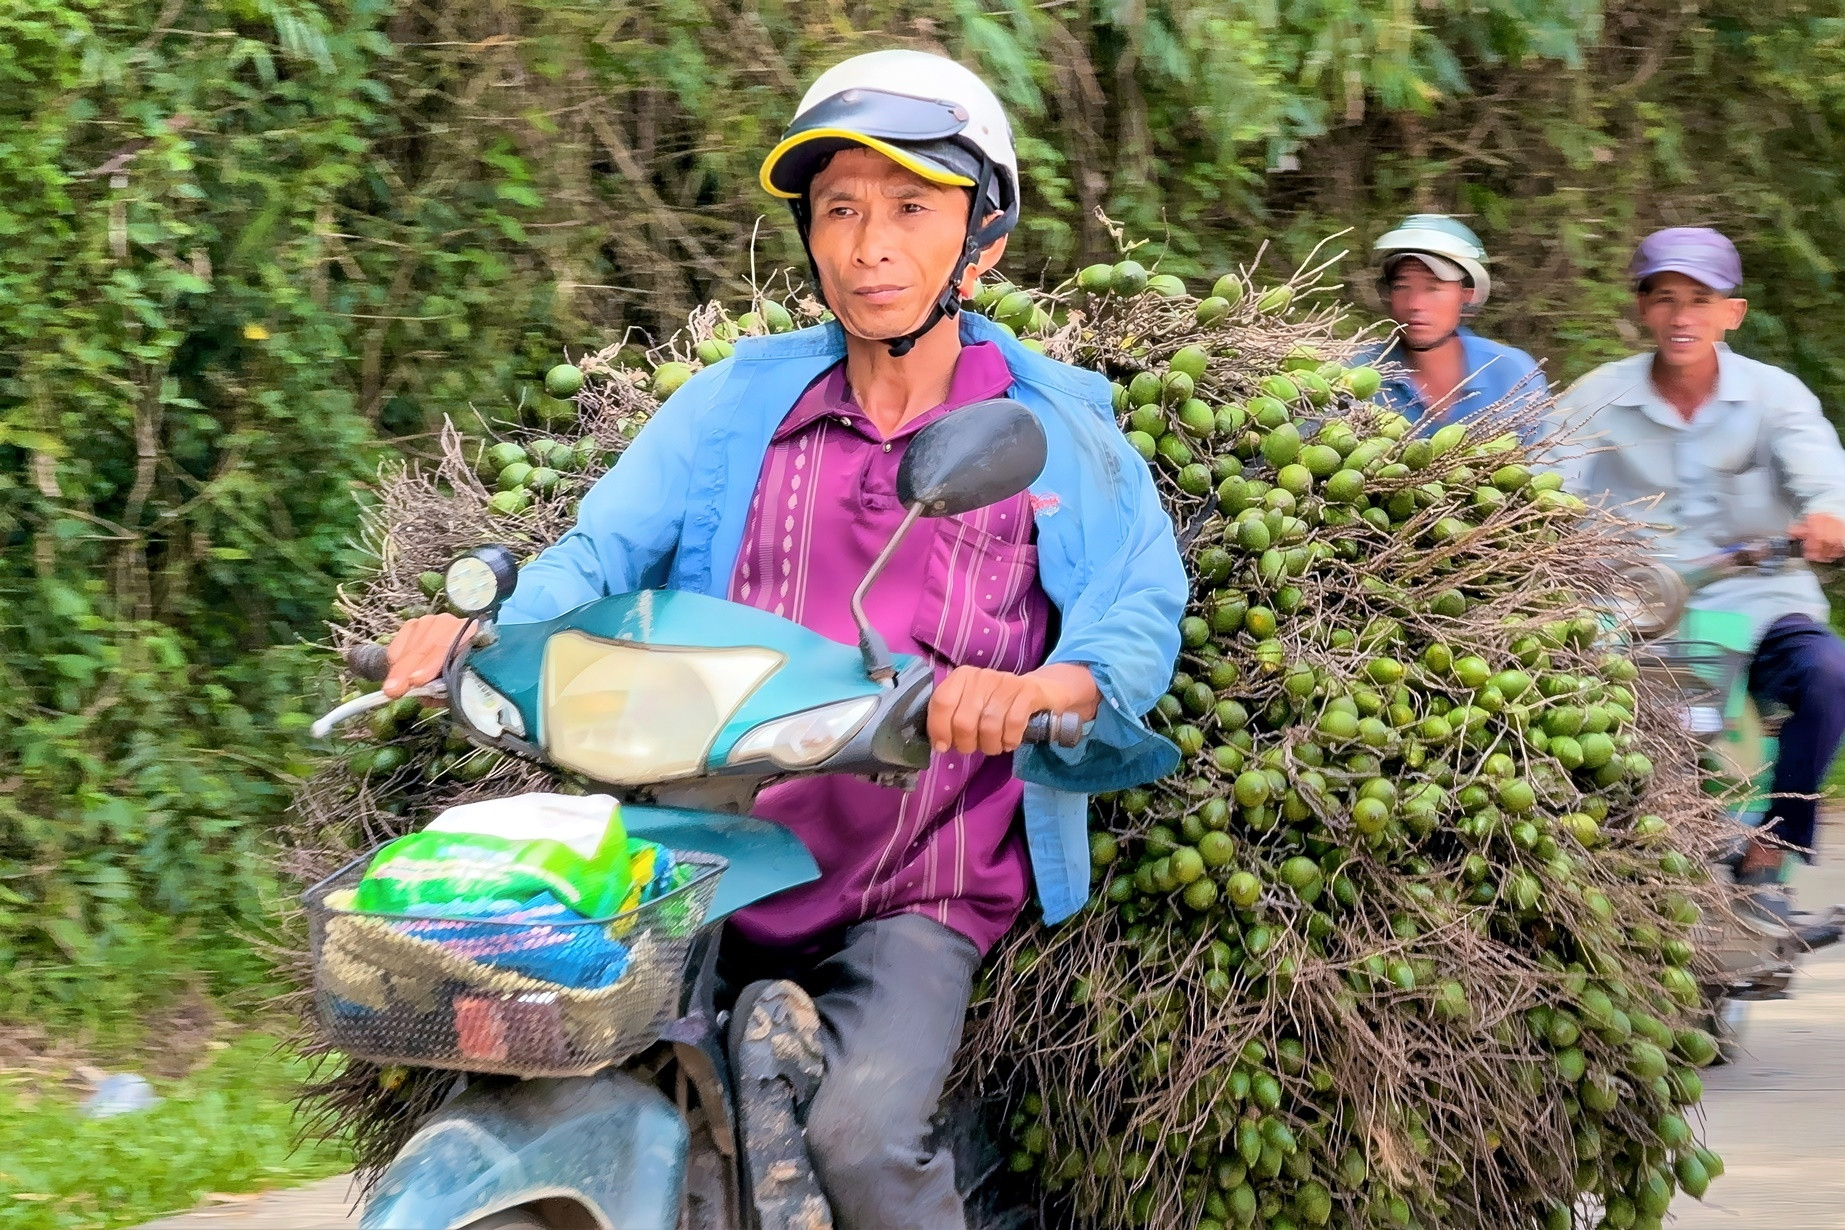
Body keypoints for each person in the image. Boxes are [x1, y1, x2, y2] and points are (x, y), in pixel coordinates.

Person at [378, 49, 1186, 1230]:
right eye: (840, 211)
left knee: (859, 1144)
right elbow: (601, 554)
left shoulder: (1053, 427)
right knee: (541, 1045)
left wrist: (1045, 687)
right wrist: (480, 628)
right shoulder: (733, 406)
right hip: (712, 849)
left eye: (911, 211)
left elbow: (1137, 601)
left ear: (985, 238)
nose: (870, 248)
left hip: (918, 879)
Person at [1551, 225, 1845, 888]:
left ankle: (1771, 845)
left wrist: (1830, 515)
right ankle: (1640, 875)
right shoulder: (1597, 397)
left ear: (1730, 313)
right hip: (1647, 612)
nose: (1681, 316)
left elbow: (1821, 471)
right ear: (1642, 309)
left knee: (1827, 674)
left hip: (1761, 601)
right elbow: (1546, 481)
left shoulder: (1774, 397)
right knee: (1639, 735)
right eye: (1663, 297)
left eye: (1700, 298)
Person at [1360, 214, 1548, 436]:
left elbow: (1544, 462)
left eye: (1433, 288)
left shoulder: (1512, 373)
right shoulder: (1355, 373)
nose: (1415, 304)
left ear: (1466, 295)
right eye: (1402, 287)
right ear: (1387, 295)